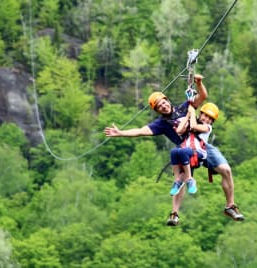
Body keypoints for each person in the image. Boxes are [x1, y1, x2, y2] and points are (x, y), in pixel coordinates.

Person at [103, 74, 245, 226]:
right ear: (158, 110)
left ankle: (230, 206)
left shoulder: (184, 107)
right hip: (185, 148)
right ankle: (174, 213)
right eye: (159, 106)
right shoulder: (162, 124)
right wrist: (121, 133)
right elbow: (141, 131)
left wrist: (199, 82)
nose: (163, 106)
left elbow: (203, 95)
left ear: (167, 100)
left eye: (163, 102)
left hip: (201, 145)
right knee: (181, 179)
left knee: (226, 170)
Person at [169, 102, 216, 196]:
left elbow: (194, 126)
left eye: (210, 119)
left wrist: (193, 113)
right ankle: (178, 181)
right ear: (201, 114)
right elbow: (178, 130)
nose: (206, 119)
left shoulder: (207, 127)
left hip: (199, 154)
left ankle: (190, 179)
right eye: (205, 116)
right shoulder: (192, 122)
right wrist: (188, 116)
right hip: (187, 152)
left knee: (183, 151)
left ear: (211, 122)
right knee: (174, 152)